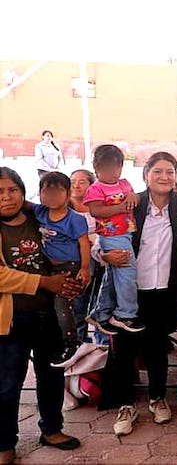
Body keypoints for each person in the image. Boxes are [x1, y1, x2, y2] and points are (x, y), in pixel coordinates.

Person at [100, 152, 177, 437]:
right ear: (147, 174)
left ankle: (157, 398)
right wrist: (103, 254)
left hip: (164, 289)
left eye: (170, 171)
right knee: (124, 349)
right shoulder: (131, 203)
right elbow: (105, 234)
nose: (164, 177)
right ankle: (126, 404)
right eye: (158, 171)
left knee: (157, 346)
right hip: (130, 290)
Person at [0, 167, 85, 464]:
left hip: (48, 313)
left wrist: (70, 280)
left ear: (23, 192)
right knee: (8, 384)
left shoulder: (40, 218)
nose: (7, 197)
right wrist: (45, 282)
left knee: (51, 375)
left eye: (12, 189)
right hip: (11, 320)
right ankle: (4, 443)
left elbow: (68, 244)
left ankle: (52, 429)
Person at [27, 172, 91, 367]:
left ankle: (73, 342)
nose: (52, 196)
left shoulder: (75, 220)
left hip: (69, 266)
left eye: (58, 191)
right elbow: (24, 204)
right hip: (48, 267)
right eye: (47, 192)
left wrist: (85, 268)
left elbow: (84, 245)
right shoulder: (40, 212)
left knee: (62, 305)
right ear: (39, 194)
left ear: (68, 193)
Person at [83, 145, 143, 335]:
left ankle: (100, 312)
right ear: (96, 167)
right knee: (127, 273)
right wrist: (121, 208)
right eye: (106, 167)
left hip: (126, 233)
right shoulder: (96, 188)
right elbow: (96, 210)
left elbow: (135, 199)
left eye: (115, 167)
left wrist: (134, 197)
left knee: (114, 275)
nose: (112, 172)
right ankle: (125, 313)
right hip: (111, 235)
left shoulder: (125, 184)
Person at [68, 169, 105, 345]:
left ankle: (102, 345)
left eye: (82, 181)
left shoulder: (98, 206)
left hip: (100, 259)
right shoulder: (63, 208)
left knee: (100, 300)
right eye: (73, 181)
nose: (76, 185)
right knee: (79, 304)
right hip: (75, 263)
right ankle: (79, 342)